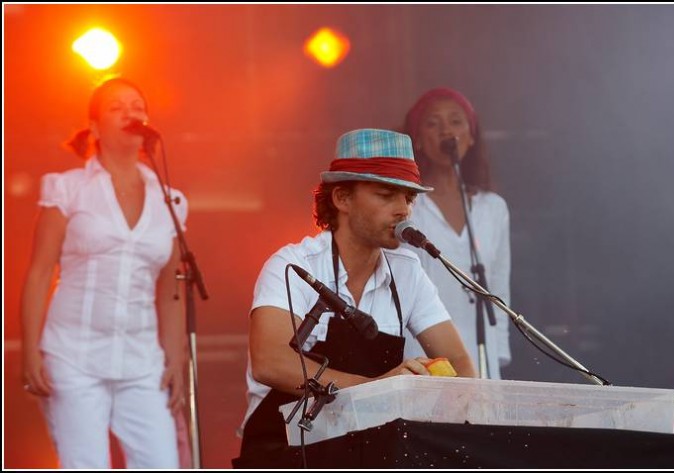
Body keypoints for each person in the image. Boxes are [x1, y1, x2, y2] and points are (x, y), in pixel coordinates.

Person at [239, 128, 476, 456]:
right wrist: (381, 391)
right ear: (342, 198)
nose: (403, 210)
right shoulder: (291, 265)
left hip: (367, 451)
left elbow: (461, 363)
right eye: (386, 194)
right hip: (285, 450)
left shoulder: (407, 271)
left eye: (408, 198)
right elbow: (269, 361)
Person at [19, 77, 188, 468]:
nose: (131, 112)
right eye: (117, 107)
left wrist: (175, 359)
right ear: (94, 127)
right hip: (72, 354)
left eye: (137, 106)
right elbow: (40, 273)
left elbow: (171, 289)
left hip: (142, 358)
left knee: (163, 463)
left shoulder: (171, 200)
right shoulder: (67, 189)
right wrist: (30, 349)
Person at [401, 87, 512, 380]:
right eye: (433, 123)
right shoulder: (406, 205)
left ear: (472, 136)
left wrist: (497, 351)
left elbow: (499, 288)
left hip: (481, 349)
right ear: (419, 140)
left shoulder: (493, 208)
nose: (445, 130)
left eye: (455, 121)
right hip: (423, 350)